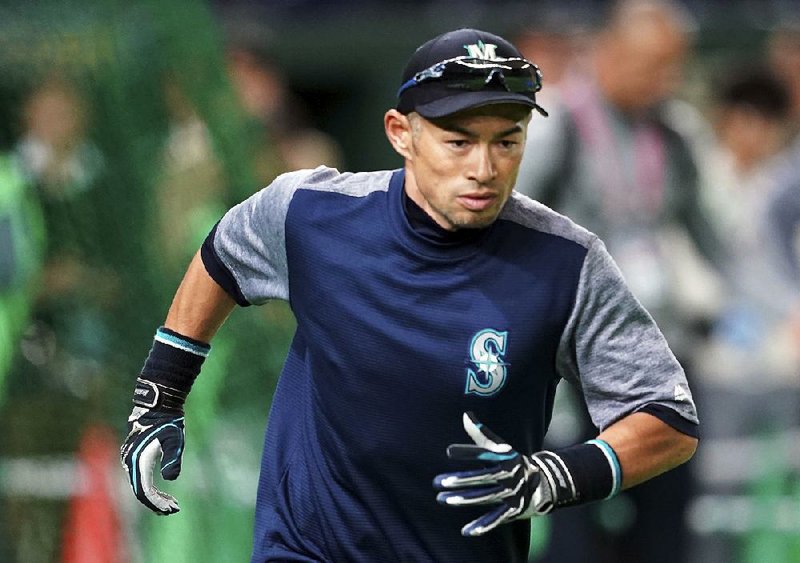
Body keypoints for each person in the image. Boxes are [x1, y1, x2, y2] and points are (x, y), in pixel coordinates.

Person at [119, 28, 699, 562]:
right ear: (402, 133)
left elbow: (667, 418)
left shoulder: (567, 262)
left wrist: (554, 477)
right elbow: (221, 254)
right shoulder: (310, 213)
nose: (485, 168)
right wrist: (160, 395)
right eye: (458, 142)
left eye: (506, 142)